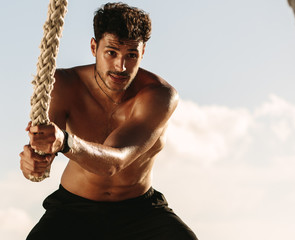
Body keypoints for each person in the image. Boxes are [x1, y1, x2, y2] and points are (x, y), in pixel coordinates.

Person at [19, 3, 197, 240]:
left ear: (143, 53)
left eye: (131, 55)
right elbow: (42, 154)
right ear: (94, 47)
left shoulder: (158, 96)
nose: (120, 66)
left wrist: (65, 143)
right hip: (73, 209)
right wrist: (33, 163)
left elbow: (115, 162)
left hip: (140, 212)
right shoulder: (64, 84)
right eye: (111, 52)